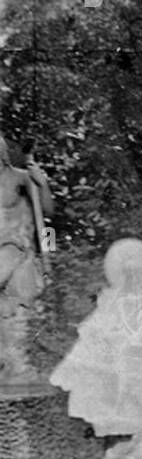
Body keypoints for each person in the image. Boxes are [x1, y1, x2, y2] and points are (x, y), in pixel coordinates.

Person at [49, 239, 142, 436]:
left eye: (140, 273)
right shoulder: (113, 303)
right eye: (129, 274)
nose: (135, 279)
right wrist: (116, 338)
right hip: (121, 355)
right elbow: (100, 328)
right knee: (115, 376)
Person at [0, 132, 54, 378]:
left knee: (20, 316)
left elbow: (47, 213)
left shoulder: (21, 178)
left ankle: (20, 369)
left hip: (17, 252)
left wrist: (42, 184)